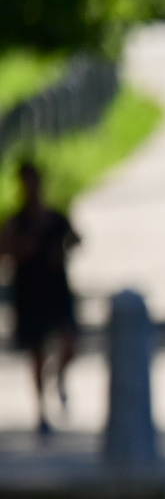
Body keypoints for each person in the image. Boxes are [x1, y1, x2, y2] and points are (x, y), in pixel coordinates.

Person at [5, 160, 81, 436]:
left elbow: (75, 239)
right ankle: (42, 412)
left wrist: (62, 250)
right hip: (29, 292)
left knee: (70, 341)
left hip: (56, 288)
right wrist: (17, 249)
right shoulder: (15, 222)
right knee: (36, 354)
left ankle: (59, 375)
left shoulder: (55, 218)